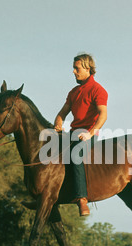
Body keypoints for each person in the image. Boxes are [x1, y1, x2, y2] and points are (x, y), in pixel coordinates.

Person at [54, 53, 108, 216]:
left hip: (89, 134)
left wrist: (90, 134)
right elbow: (62, 113)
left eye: (76, 69)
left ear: (87, 68)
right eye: (74, 68)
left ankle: (82, 199)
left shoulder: (98, 90)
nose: (74, 72)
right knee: (49, 152)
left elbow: (103, 115)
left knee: (76, 155)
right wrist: (58, 123)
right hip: (72, 133)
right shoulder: (74, 92)